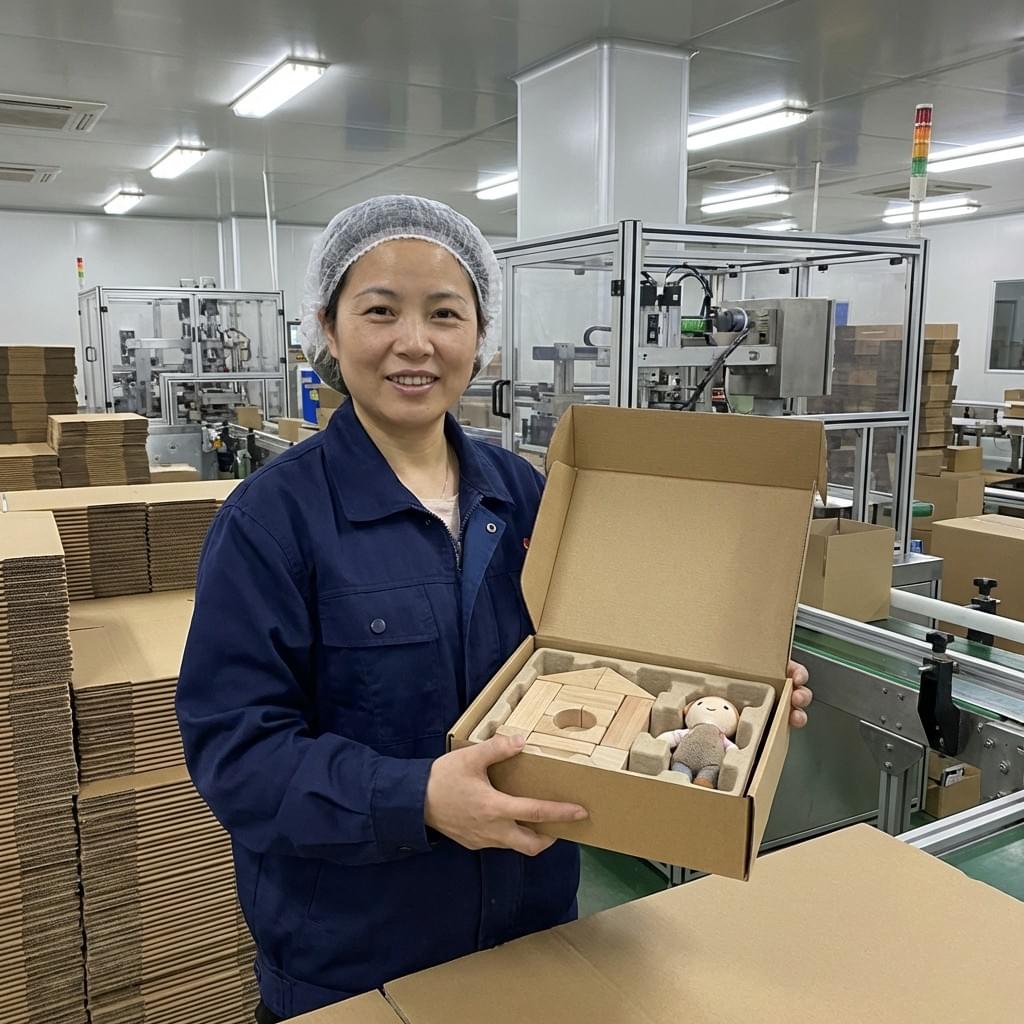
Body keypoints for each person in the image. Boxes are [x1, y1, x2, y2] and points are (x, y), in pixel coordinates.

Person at [176, 195, 814, 1022]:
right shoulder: (271, 524)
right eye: (380, 311)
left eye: (446, 313)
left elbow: (603, 653)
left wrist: (719, 679)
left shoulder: (526, 496)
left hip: (536, 928)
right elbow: (237, 752)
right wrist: (418, 797)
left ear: (481, 336)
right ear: (328, 328)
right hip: (357, 962)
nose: (415, 343)